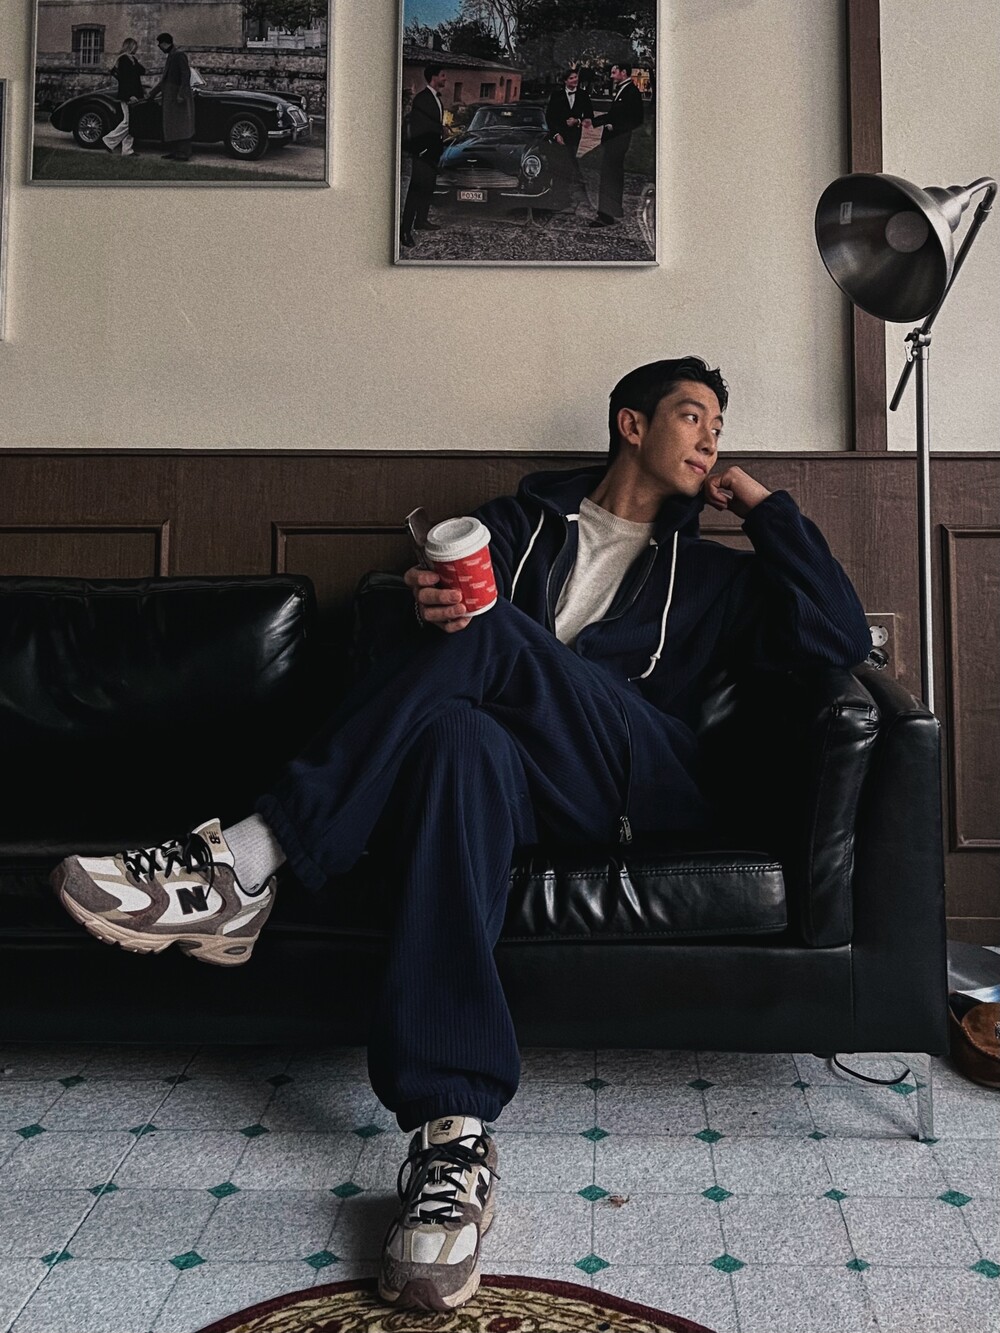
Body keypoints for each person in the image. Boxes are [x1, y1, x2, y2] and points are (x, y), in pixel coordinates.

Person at [50, 356, 872, 1314]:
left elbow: (840, 636)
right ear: (631, 423)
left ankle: (248, 860)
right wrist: (425, 607)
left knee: (486, 631)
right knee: (455, 740)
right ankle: (452, 1134)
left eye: (720, 426)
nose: (712, 439)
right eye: (693, 416)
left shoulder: (717, 574)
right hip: (515, 775)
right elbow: (447, 625)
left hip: (634, 773)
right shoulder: (513, 525)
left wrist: (768, 510)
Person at [590, 63, 644, 227]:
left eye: (614, 72)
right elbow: (614, 115)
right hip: (613, 142)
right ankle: (610, 212)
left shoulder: (632, 92)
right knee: (610, 177)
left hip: (618, 142)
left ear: (623, 73)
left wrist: (616, 127)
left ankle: (606, 216)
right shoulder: (623, 90)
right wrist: (593, 121)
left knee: (610, 178)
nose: (611, 76)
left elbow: (637, 119)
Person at [400, 64, 447, 249]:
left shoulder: (436, 99)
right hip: (423, 153)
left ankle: (421, 220)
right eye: (443, 75)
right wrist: (438, 132)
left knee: (428, 188)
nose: (445, 79)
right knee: (415, 191)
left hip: (434, 152)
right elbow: (420, 126)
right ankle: (405, 231)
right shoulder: (422, 99)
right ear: (434, 77)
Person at [544, 69, 595, 210]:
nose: (575, 80)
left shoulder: (583, 95)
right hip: (558, 136)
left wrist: (577, 121)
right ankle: (557, 197)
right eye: (572, 78)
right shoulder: (557, 95)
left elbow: (589, 115)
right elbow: (549, 117)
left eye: (576, 77)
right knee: (558, 165)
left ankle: (566, 197)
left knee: (568, 165)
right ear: (565, 81)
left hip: (574, 137)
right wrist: (556, 134)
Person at [146, 32, 194, 162]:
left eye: (159, 44)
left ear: (164, 43)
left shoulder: (178, 55)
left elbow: (185, 75)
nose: (159, 47)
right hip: (171, 97)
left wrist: (181, 94)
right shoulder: (173, 55)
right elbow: (164, 81)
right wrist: (151, 94)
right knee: (173, 126)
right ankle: (175, 151)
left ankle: (183, 153)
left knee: (181, 126)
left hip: (177, 97)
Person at [102, 38, 145, 157]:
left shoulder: (132, 59)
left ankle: (127, 150)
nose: (137, 48)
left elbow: (142, 71)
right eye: (135, 46)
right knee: (128, 122)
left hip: (134, 95)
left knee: (131, 122)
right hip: (128, 95)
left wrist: (135, 62)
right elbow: (125, 80)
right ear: (130, 46)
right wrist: (130, 95)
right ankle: (108, 140)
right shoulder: (124, 60)